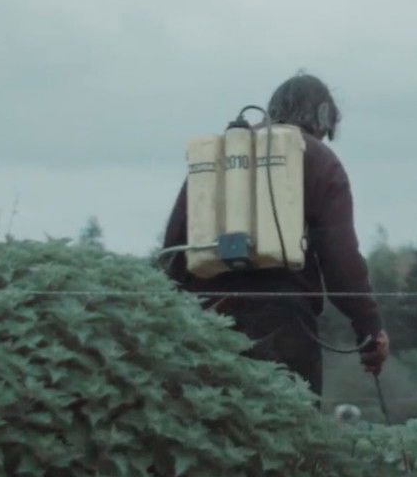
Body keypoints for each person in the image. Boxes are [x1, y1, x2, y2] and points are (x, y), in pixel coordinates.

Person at [162, 72, 390, 396]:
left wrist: (171, 320)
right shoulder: (321, 161)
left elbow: (175, 244)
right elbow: (340, 260)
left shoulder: (218, 155)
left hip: (207, 320)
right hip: (283, 322)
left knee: (212, 418)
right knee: (288, 422)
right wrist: (369, 330)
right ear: (323, 116)